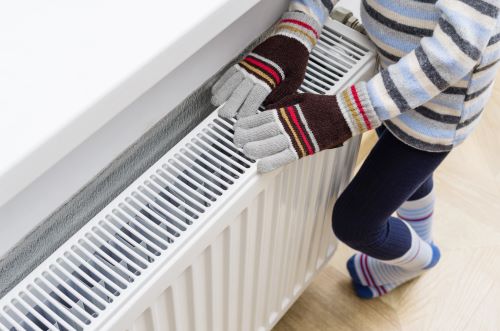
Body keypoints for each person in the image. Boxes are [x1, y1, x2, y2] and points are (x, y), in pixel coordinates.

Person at [211, 0, 500, 298]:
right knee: (409, 176)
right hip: (392, 80)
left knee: (356, 223)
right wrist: (300, 26)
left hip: (438, 112)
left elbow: (456, 52)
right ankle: (420, 235)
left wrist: (345, 113)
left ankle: (420, 259)